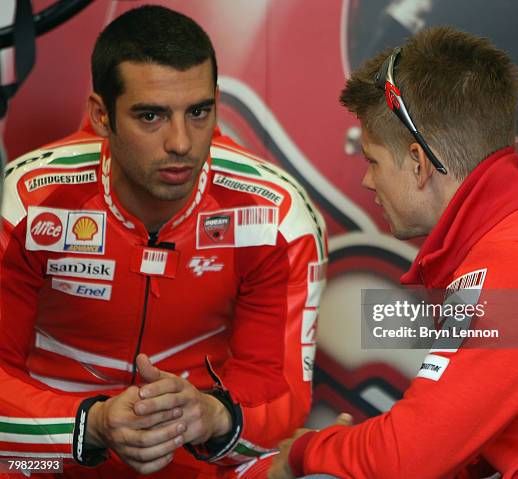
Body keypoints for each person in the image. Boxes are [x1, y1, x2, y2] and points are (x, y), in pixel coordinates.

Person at [269, 26, 518, 478]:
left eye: (372, 161)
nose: (367, 182)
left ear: (418, 162)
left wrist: (305, 451)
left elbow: (406, 458)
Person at [0, 5, 327, 478]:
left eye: (198, 112)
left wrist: (212, 415)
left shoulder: (274, 218)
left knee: (323, 468)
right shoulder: (26, 204)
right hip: (53, 452)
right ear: (101, 116)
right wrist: (92, 423)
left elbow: (277, 389)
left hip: (192, 452)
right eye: (151, 116)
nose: (181, 142)